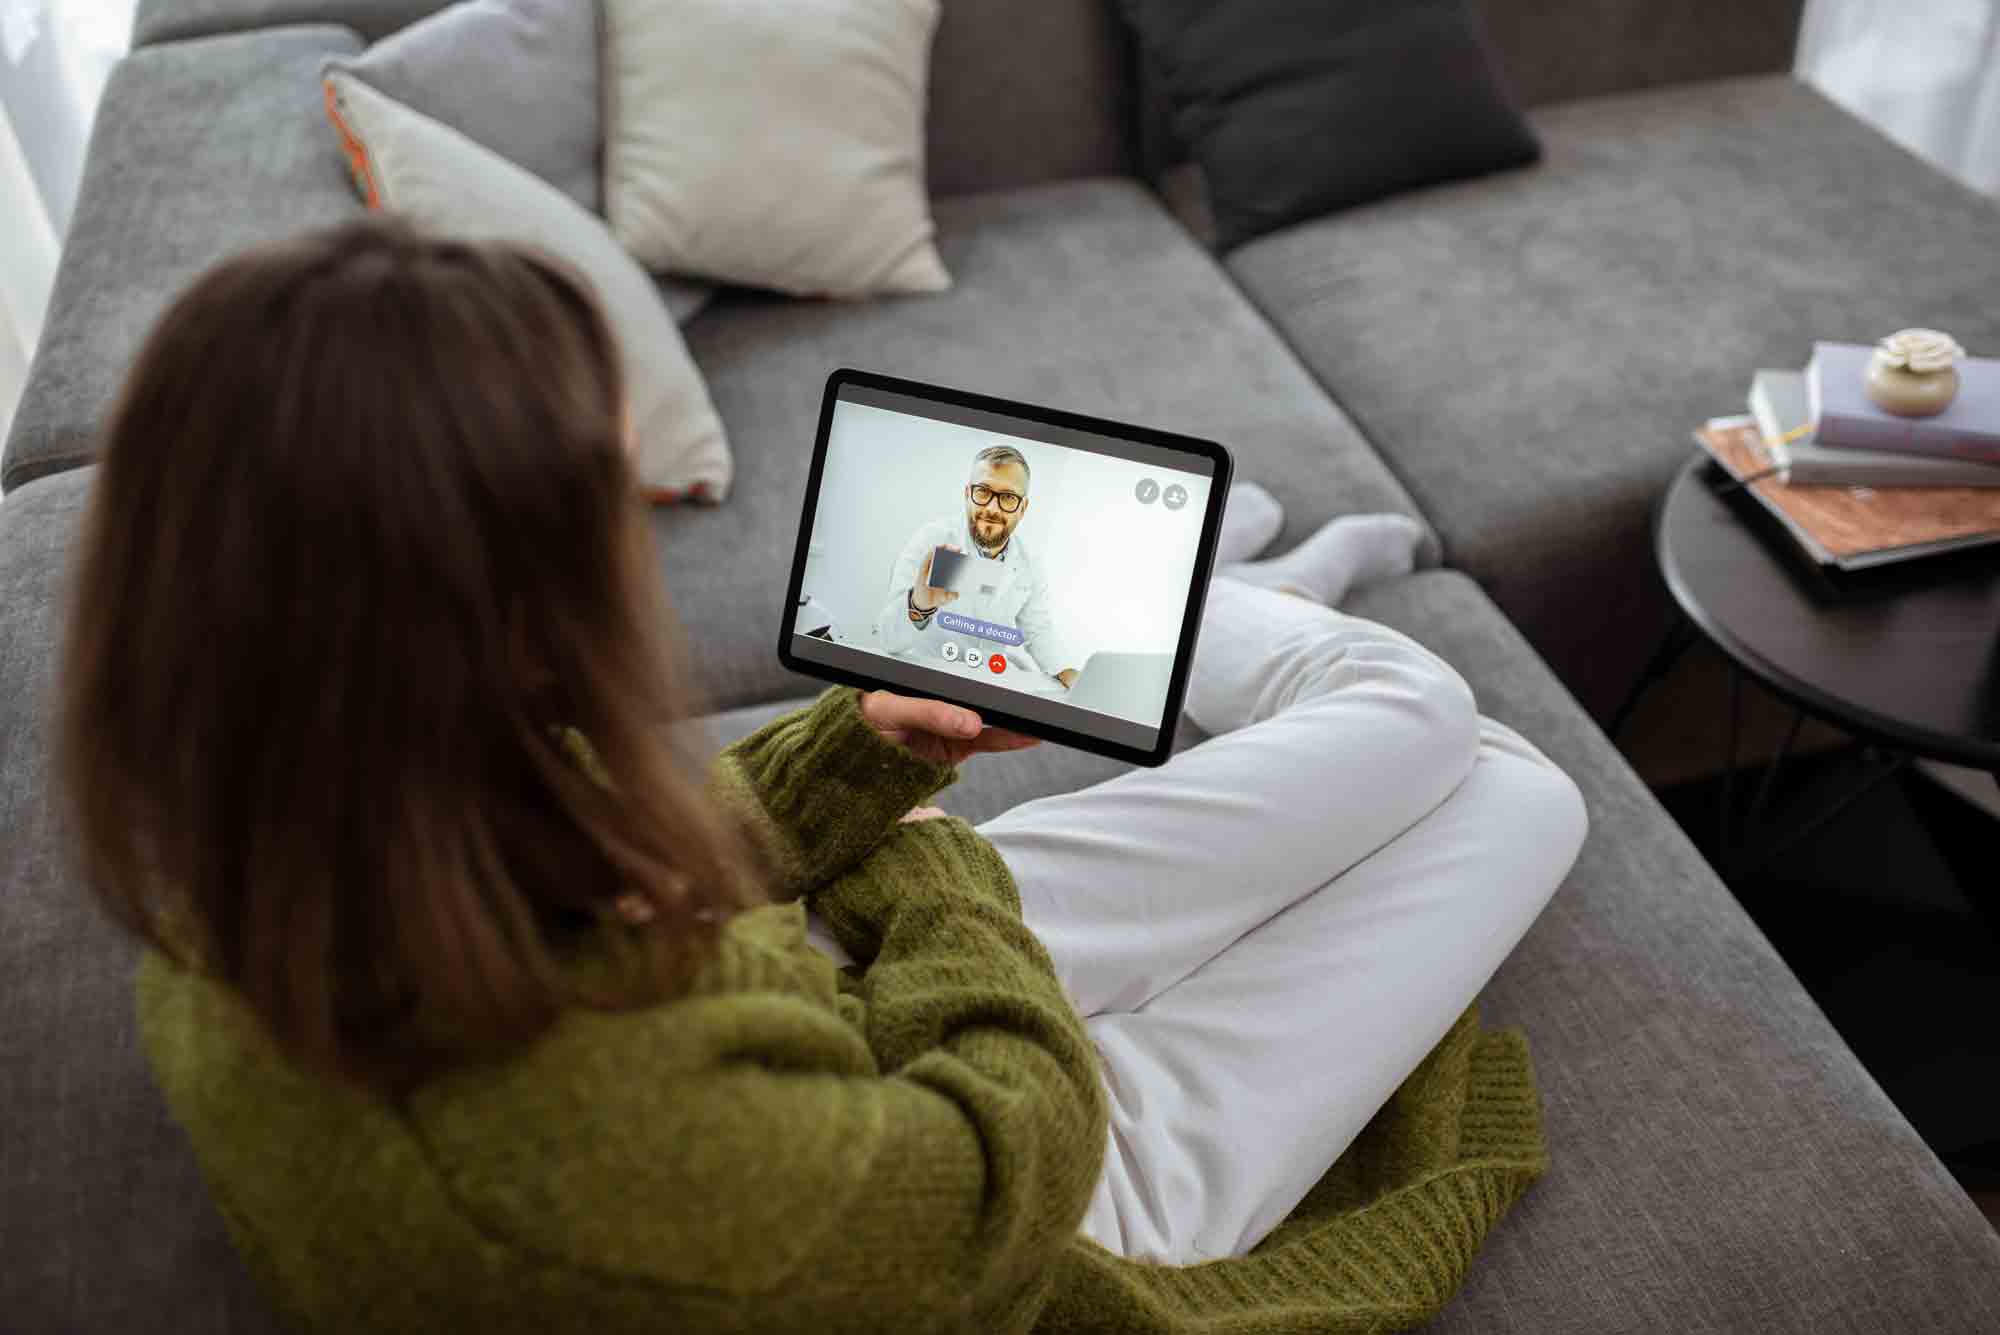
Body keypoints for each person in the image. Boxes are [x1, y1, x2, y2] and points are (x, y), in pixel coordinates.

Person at [59, 218, 1587, 1334]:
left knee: (1428, 728)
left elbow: (606, 865)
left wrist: (853, 752)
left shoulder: (257, 819)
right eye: (619, 511)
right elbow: (1007, 1158)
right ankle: (1187, 602)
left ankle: (1194, 603)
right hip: (1051, 1177)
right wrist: (928, 858)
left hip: (830, 992)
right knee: (1504, 774)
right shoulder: (604, 1174)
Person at [872, 444, 1081, 686]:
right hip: (925, 679)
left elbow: (1038, 630)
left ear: (1023, 508)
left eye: (1008, 497)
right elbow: (888, 638)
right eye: (983, 491)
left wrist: (1069, 673)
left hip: (986, 685)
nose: (992, 508)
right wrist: (918, 605)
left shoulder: (1029, 565)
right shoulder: (933, 541)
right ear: (967, 493)